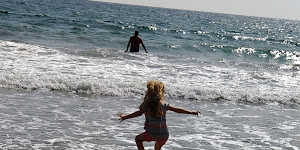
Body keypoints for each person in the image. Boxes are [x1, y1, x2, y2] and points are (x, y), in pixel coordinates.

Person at [118, 80, 200, 150]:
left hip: (151, 133)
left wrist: (125, 117)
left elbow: (138, 113)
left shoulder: (146, 105)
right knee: (157, 148)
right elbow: (177, 110)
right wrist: (191, 112)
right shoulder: (164, 105)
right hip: (164, 135)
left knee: (138, 139)